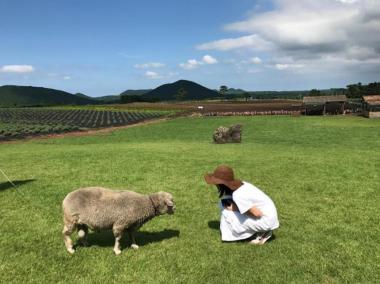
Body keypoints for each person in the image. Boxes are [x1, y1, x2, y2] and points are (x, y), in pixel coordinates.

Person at [204, 165, 279, 244]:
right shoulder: (243, 184)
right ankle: (261, 231)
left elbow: (257, 213)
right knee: (223, 203)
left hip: (266, 221)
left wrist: (235, 208)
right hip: (270, 217)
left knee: (227, 213)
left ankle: (263, 232)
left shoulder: (238, 195)